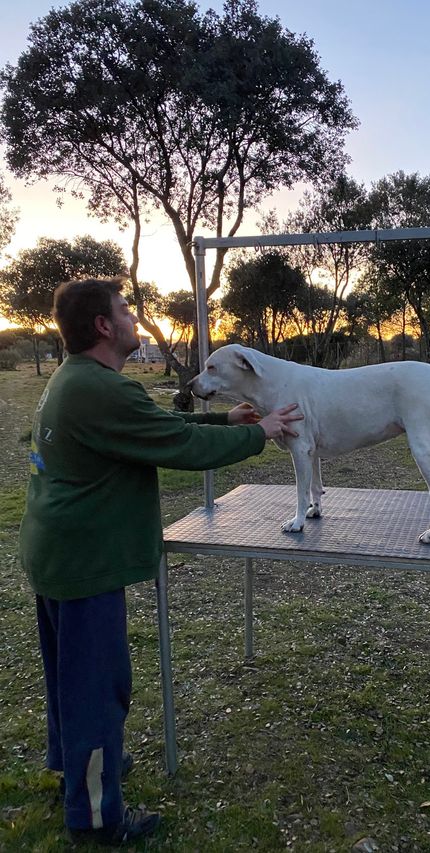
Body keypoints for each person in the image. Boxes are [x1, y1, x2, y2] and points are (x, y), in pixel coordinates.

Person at [18, 277, 302, 846]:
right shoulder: (101, 389)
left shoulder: (77, 379)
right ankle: (96, 816)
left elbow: (154, 428)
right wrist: (261, 433)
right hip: (84, 561)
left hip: (55, 551)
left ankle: (74, 768)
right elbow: (179, 447)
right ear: (104, 326)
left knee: (70, 681)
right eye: (125, 311)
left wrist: (227, 420)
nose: (134, 319)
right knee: (99, 689)